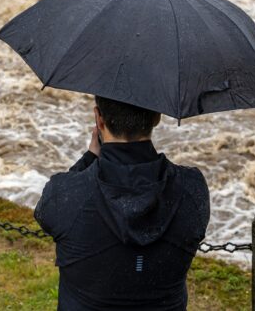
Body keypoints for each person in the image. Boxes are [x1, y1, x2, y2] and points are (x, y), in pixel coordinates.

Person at [35, 96, 210, 310]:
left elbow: (46, 213)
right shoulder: (192, 189)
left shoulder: (63, 194)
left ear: (99, 119)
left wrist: (90, 157)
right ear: (157, 116)